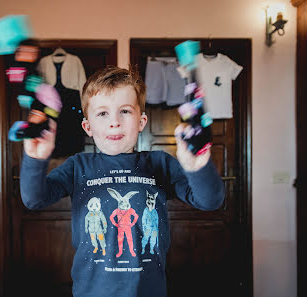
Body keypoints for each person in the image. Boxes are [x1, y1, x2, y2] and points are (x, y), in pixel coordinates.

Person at [20, 65, 225, 297]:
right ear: (88, 126)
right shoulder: (78, 166)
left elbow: (210, 201)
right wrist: (35, 159)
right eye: (102, 113)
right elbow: (33, 199)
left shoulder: (160, 163)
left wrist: (197, 168)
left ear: (142, 121)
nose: (114, 122)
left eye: (125, 111)